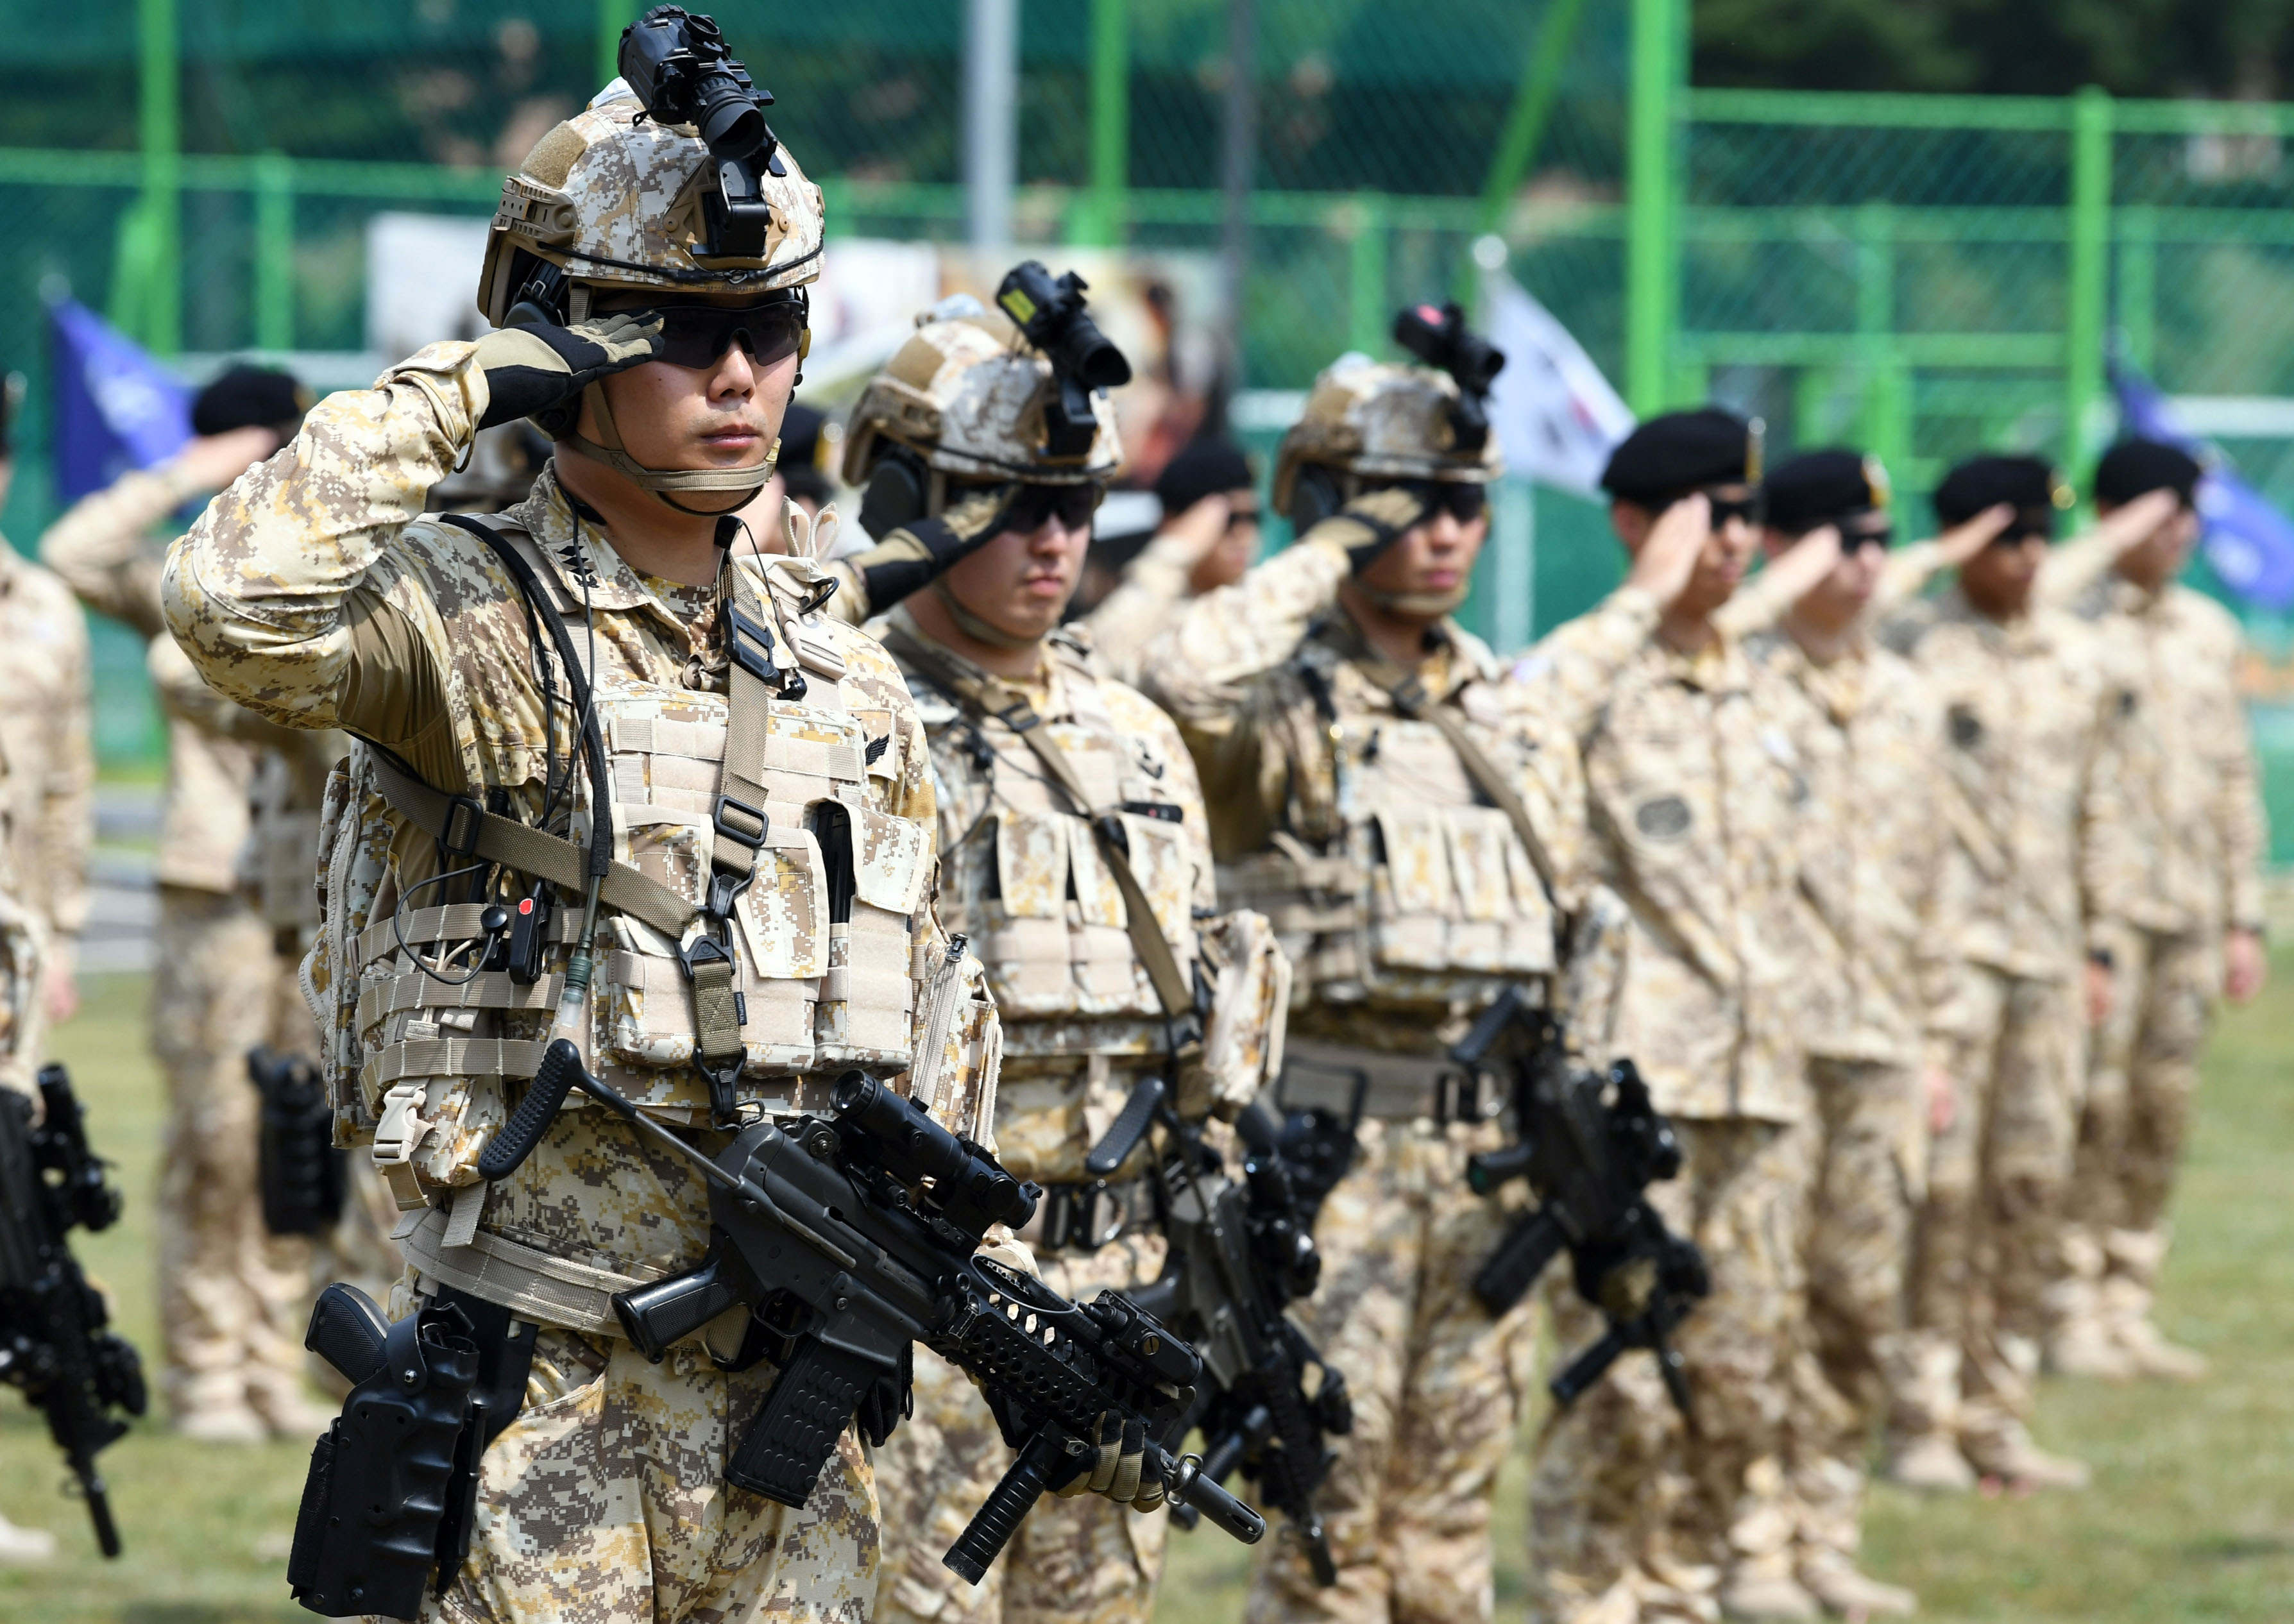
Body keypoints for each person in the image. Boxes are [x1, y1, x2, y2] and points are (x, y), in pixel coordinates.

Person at [160, 63, 1073, 1618]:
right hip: (544, 1399)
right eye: (675, 329)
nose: (734, 374)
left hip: (800, 1407)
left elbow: (931, 985)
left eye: (768, 330)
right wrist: (475, 376)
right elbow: (229, 603)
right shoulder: (464, 614)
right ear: (568, 339)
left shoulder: (842, 667)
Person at [845, 287, 1289, 1624]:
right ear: (914, 500)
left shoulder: (1136, 731)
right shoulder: (855, 710)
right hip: (934, 1299)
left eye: (1079, 507)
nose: (1053, 541)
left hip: (1119, 1290)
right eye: (1012, 502)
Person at [1141, 336, 1598, 1624]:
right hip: (1334, 1167)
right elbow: (1181, 676)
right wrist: (1341, 545)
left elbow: (1562, 926)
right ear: (1331, 505)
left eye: (1465, 504)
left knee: (1452, 1524)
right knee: (1329, 1527)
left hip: (1487, 1170)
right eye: (1408, 503)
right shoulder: (1278, 705)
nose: (1445, 533)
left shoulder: (1508, 709)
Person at [1509, 409, 1834, 1624]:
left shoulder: (1757, 685)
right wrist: (1642, 597)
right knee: (1621, 1374)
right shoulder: (1590, 673)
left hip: (1763, 1078)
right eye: (1708, 516)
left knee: (1741, 1362)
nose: (1735, 541)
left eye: (1746, 518)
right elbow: (1523, 715)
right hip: (1639, 1090)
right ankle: (1589, 1589)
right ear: (1639, 525)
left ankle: (1685, 1579)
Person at [41, 362, 325, 1443]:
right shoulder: (176, 576)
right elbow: (72, 554)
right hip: (211, 887)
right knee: (215, 1133)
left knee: (296, 1137)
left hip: (306, 889)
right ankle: (205, 1369)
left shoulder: (319, 570)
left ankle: (266, 1361)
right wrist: (183, 473)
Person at [1725, 450, 1966, 1618]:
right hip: (1765, 1056)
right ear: (1787, 550)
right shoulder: (1737, 684)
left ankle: (1825, 1533)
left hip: (1878, 1046)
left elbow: (1937, 885)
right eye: (1842, 540)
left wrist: (1941, 1041)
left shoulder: (1912, 698)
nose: (1870, 565)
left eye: (1879, 542)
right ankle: (1751, 1546)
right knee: (1753, 1308)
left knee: (1855, 1308)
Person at [1875, 453, 2128, 1493]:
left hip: (2048, 962)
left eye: (2037, 536)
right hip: (1951, 968)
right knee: (1939, 1193)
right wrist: (1932, 558)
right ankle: (1919, 1416)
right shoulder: (1910, 650)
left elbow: (2098, 811)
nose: (2027, 556)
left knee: (2030, 1188)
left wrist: (2100, 943)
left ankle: (1996, 1409)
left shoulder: (2078, 658)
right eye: (2004, 536)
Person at [2035, 440, 2267, 1381]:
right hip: (2099, 915)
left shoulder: (2208, 631)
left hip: (2188, 910)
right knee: (2086, 1106)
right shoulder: (2069, 625)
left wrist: (2242, 916)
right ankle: (2064, 1300)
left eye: (2187, 515)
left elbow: (2231, 781)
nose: (2181, 533)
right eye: (2160, 513)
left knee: (2159, 1112)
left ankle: (2127, 1293)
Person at [1080, 437, 1262, 684]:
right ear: (1178, 522)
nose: (1244, 534)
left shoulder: (1261, 601)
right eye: (1229, 519)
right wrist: (1175, 550)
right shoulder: (1149, 608)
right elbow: (1091, 663)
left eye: (1253, 518)